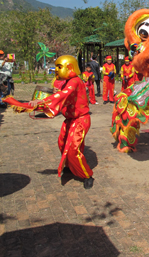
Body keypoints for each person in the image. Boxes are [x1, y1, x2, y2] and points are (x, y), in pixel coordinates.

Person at [4, 55, 95, 189]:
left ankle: (87, 175)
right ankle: (71, 167)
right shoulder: (67, 82)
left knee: (73, 149)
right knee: (63, 143)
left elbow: (61, 96)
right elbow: (59, 96)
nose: (56, 70)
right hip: (70, 119)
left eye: (59, 67)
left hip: (80, 120)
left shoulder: (75, 81)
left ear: (69, 67)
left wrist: (38, 103)